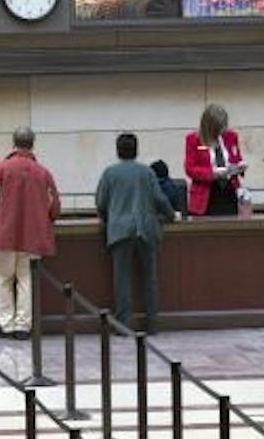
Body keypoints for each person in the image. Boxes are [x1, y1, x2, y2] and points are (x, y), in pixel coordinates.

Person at [0, 127, 61, 337]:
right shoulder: (43, 173)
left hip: (2, 234)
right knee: (27, 281)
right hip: (33, 236)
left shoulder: (0, 169)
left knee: (2, 279)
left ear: (13, 143)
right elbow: (54, 208)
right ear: (33, 144)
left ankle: (6, 325)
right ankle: (23, 327)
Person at [97, 133, 175, 332]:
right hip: (145, 229)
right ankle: (152, 323)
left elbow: (101, 203)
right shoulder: (147, 173)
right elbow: (160, 199)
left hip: (119, 230)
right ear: (136, 150)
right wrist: (171, 215)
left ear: (117, 150)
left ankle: (123, 324)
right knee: (150, 279)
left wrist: (109, 217)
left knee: (121, 279)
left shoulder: (109, 173)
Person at [184, 103, 247, 218]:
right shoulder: (194, 140)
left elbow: (236, 158)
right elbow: (190, 169)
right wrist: (213, 173)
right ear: (210, 126)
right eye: (219, 127)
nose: (222, 130)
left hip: (229, 190)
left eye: (223, 126)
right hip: (207, 193)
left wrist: (240, 166)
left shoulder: (231, 136)